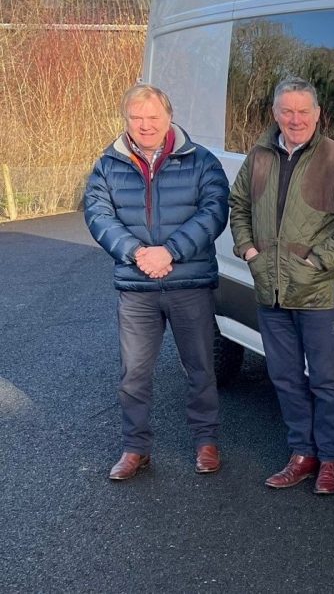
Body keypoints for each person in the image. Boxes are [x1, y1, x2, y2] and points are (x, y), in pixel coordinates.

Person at [229, 77, 334, 495]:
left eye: (303, 112)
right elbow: (237, 205)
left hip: (315, 293)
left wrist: (316, 261)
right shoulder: (257, 157)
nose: (295, 119)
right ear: (275, 114)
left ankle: (329, 461)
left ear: (318, 115)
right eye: (287, 111)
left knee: (324, 380)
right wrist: (248, 250)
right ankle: (301, 454)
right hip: (269, 291)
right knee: (285, 377)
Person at [84, 83, 230, 481]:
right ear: (125, 120)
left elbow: (214, 211)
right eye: (137, 117)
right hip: (136, 287)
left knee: (200, 367)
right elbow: (98, 215)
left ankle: (206, 443)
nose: (145, 125)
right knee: (134, 373)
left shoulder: (201, 161)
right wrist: (136, 253)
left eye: (153, 117)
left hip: (189, 283)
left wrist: (170, 252)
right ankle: (136, 449)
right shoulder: (107, 165)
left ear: (169, 117)